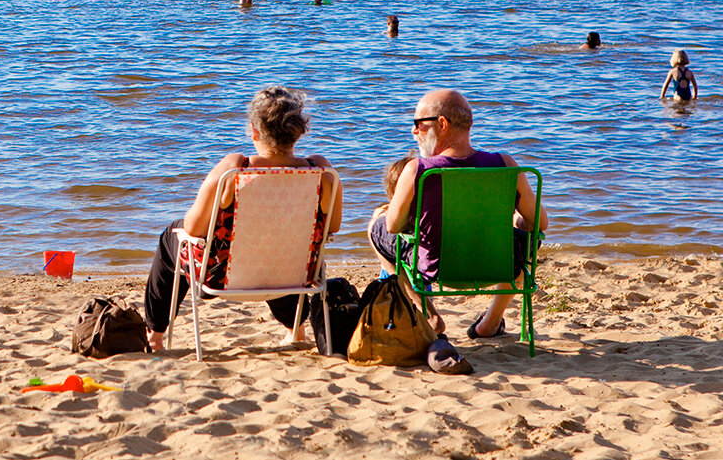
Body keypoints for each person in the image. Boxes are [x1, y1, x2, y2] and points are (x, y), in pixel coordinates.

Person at [144, 86, 342, 351]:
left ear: (255, 130)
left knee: (174, 233)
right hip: (295, 275)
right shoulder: (321, 171)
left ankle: (155, 336)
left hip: (222, 277)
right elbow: (334, 226)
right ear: (297, 131)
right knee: (281, 239)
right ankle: (296, 329)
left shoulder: (234, 168)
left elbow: (193, 227)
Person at [366, 89, 548, 338]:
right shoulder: (505, 164)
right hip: (498, 265)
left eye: (418, 124)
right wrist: (517, 220)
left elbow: (393, 226)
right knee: (527, 236)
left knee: (376, 227)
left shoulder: (418, 169)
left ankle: (428, 313)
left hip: (437, 268)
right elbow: (540, 222)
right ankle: (491, 322)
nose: (414, 131)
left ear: (442, 124)